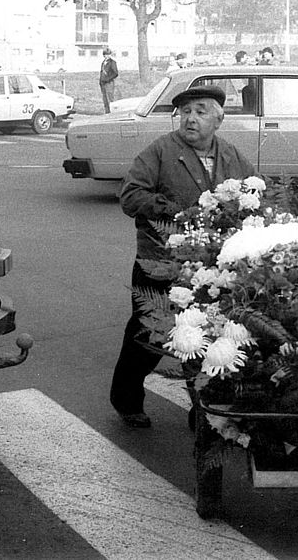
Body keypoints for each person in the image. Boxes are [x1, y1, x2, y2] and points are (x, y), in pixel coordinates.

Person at [110, 86, 256, 428]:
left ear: (219, 119)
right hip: (159, 262)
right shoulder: (160, 151)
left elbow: (255, 191)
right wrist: (178, 213)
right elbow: (131, 196)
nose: (191, 118)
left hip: (210, 267)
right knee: (148, 334)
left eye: (201, 111)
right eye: (185, 111)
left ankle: (203, 411)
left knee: (208, 337)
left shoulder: (232, 156)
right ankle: (127, 400)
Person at [99, 47, 119, 113]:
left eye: (108, 54)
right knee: (105, 99)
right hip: (103, 84)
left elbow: (115, 73)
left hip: (109, 83)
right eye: (105, 54)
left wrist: (108, 79)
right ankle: (107, 112)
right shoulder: (103, 62)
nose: (106, 56)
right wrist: (101, 81)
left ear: (110, 55)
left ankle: (112, 113)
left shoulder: (112, 62)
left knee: (110, 99)